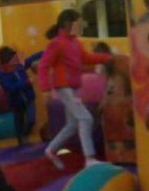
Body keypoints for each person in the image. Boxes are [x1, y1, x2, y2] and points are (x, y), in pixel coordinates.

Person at [38, 9, 110, 170]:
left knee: (72, 124)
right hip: (64, 88)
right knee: (86, 118)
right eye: (78, 23)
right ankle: (89, 158)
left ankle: (51, 149)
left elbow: (87, 58)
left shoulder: (75, 43)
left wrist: (107, 58)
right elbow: (43, 65)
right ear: (67, 24)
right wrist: (45, 89)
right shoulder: (56, 43)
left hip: (74, 88)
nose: (80, 26)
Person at [0, 47, 36, 146]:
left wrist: (45, 51)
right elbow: (9, 88)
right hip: (16, 101)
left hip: (29, 97)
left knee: (31, 120)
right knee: (19, 121)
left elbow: (30, 59)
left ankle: (24, 136)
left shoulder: (18, 63)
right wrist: (25, 82)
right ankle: (21, 140)